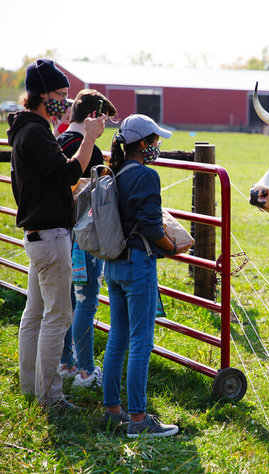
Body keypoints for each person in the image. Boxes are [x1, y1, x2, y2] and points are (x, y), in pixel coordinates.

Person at [7, 58, 106, 409]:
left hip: (39, 236)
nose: (64, 102)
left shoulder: (27, 129)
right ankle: (50, 397)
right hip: (50, 237)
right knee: (57, 317)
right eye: (60, 95)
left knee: (34, 314)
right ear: (41, 94)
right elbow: (66, 172)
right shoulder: (35, 132)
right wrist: (90, 138)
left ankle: (31, 387)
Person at [101, 114, 190, 436]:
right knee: (141, 341)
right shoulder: (146, 176)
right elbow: (152, 227)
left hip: (114, 264)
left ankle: (113, 409)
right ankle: (138, 421)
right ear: (142, 144)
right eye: (154, 141)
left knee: (118, 336)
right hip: (139, 264)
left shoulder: (115, 172)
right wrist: (173, 247)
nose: (157, 146)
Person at [56, 90, 118, 388]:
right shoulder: (88, 150)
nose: (106, 124)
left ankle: (65, 362)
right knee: (87, 300)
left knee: (69, 298)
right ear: (95, 116)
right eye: (104, 117)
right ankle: (85, 370)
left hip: (61, 232)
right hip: (84, 237)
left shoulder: (60, 142)